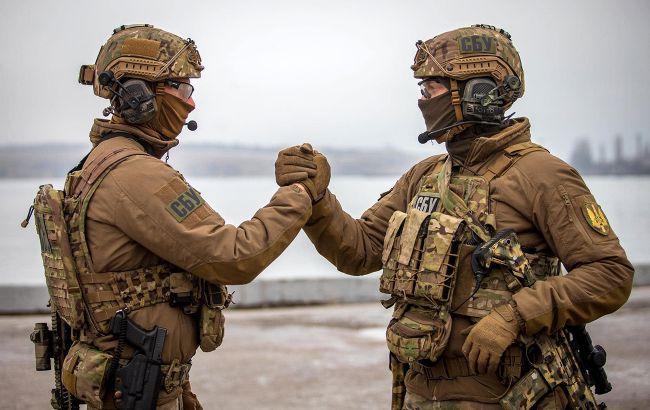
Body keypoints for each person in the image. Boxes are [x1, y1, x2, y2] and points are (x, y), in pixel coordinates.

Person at [275, 24, 634, 409]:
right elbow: (359, 250)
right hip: (422, 392)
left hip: (510, 395)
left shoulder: (542, 175)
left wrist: (515, 316)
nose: (423, 100)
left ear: (478, 93)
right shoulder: (425, 176)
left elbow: (609, 273)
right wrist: (318, 200)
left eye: (432, 88)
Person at [27, 24, 327, 409]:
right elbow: (234, 255)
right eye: (182, 88)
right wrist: (299, 193)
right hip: (138, 387)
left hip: (139, 381)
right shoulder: (135, 174)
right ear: (140, 95)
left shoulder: (101, 162)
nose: (191, 103)